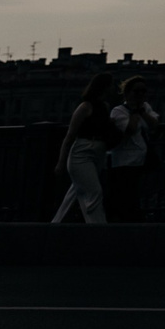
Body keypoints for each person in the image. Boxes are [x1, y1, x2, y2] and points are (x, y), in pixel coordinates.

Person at [49, 72, 117, 224]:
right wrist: (61, 162)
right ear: (104, 87)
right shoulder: (85, 107)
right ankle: (98, 228)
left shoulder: (105, 107)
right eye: (111, 84)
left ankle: (56, 225)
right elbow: (70, 136)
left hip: (98, 152)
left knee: (76, 192)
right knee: (94, 192)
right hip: (82, 152)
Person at [106, 77, 160, 222]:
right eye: (137, 91)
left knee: (138, 193)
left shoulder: (146, 107)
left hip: (141, 160)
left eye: (143, 91)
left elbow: (154, 124)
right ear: (127, 93)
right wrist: (135, 112)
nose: (141, 94)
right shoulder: (118, 111)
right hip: (124, 161)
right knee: (126, 195)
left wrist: (142, 112)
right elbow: (130, 129)